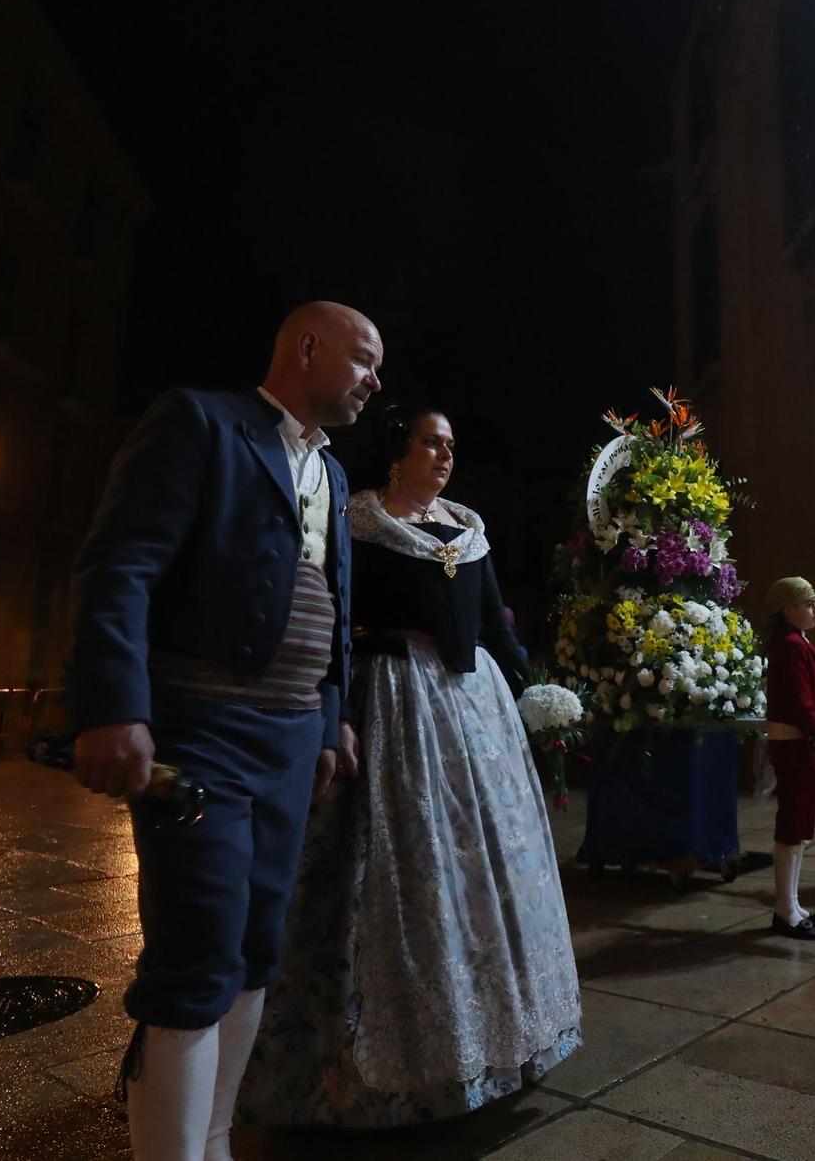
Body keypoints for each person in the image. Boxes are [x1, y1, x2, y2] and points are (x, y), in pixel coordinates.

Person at [67, 301, 379, 1161]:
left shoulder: (335, 473)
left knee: (255, 950)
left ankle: (212, 1146)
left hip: (289, 741)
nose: (373, 380)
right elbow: (120, 562)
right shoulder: (200, 420)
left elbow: (332, 602)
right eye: (361, 357)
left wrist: (330, 722)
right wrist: (113, 705)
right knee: (195, 958)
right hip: (199, 730)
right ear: (306, 347)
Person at [241, 404, 581, 1126]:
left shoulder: (469, 530)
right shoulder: (360, 523)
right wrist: (334, 706)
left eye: (453, 444)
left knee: (486, 868)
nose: (446, 454)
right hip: (397, 698)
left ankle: (495, 1042)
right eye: (432, 441)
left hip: (475, 709)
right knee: (409, 866)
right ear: (399, 451)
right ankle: (381, 1068)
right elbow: (333, 614)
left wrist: (533, 690)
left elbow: (493, 625)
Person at [763, 576, 815, 940]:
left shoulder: (795, 643)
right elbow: (802, 704)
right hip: (795, 745)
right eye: (809, 603)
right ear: (789, 609)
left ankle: (792, 904)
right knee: (792, 826)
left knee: (800, 826)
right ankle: (784, 910)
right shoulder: (789, 645)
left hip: (798, 745)